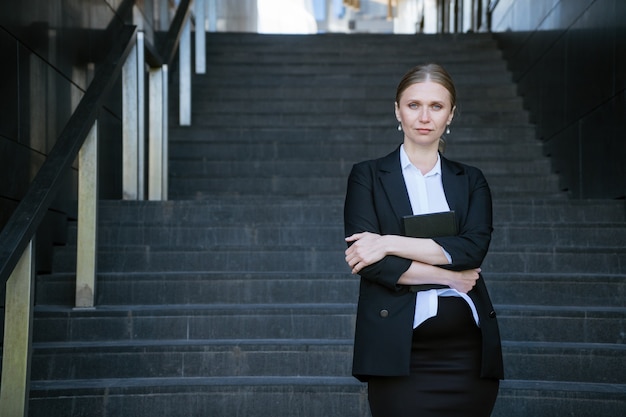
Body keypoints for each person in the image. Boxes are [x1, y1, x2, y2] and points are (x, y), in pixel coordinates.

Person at [343, 63, 504, 417]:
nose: (424, 116)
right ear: (397, 110)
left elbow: (472, 248)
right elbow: (369, 263)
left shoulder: (471, 180)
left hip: (466, 352)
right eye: (414, 105)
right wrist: (448, 276)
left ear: (451, 114)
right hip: (397, 349)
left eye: (436, 106)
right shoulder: (367, 176)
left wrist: (386, 242)